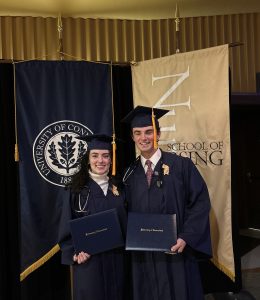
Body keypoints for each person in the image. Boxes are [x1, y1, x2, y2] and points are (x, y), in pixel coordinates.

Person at [122, 106, 212, 300]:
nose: (143, 138)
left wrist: (186, 236)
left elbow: (200, 202)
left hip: (176, 250)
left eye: (149, 132)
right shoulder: (128, 173)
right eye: (138, 133)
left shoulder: (181, 166)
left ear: (159, 134)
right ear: (132, 137)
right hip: (143, 255)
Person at [58, 134, 128, 300]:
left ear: (111, 159)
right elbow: (66, 229)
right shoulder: (75, 190)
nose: (100, 161)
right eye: (95, 156)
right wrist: (74, 253)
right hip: (89, 264)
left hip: (118, 262)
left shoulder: (121, 188)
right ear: (87, 159)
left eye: (105, 156)